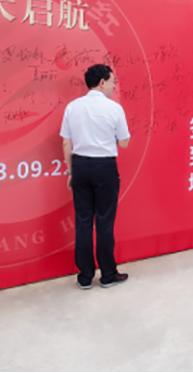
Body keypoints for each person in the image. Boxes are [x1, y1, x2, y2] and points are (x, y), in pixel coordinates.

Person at [61, 64, 130, 290]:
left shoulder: (73, 107)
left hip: (80, 165)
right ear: (102, 82)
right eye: (112, 82)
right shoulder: (114, 109)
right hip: (104, 168)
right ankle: (108, 274)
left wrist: (71, 171)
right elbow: (124, 142)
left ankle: (84, 276)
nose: (113, 86)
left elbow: (66, 142)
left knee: (82, 222)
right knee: (104, 222)